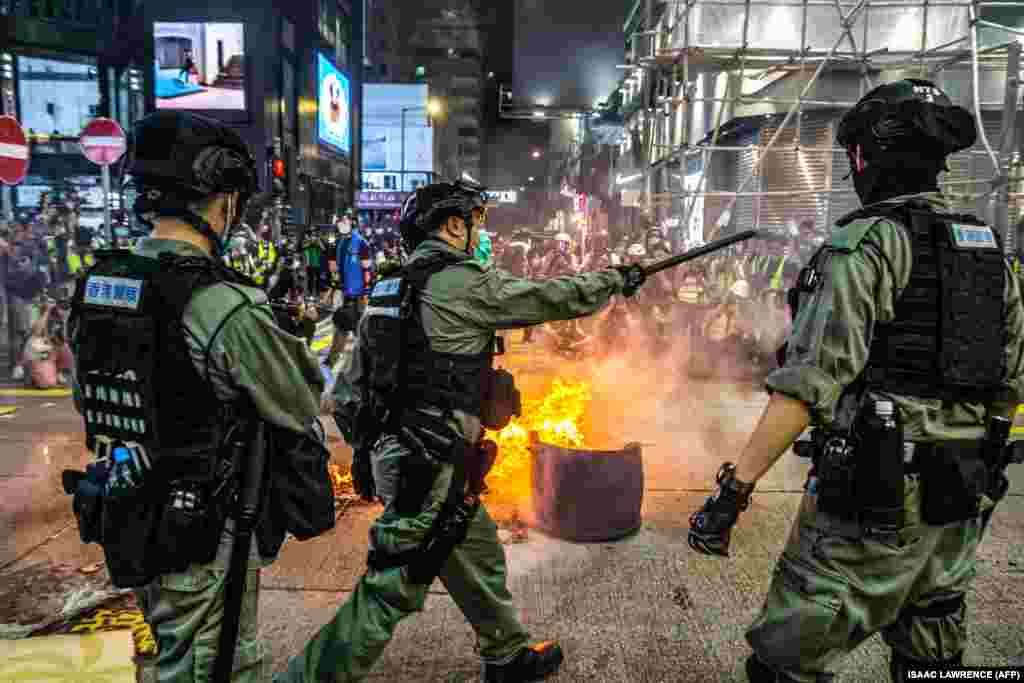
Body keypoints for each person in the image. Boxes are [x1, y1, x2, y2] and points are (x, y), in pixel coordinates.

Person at [688, 79, 1024, 682]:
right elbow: (1010, 381)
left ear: (866, 157)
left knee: (785, 661)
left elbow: (806, 385)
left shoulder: (862, 247)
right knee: (933, 658)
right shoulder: (990, 251)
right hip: (960, 497)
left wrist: (732, 493)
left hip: (873, 501)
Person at [277, 180, 647, 683]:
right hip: (431, 464)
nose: (480, 234)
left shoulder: (389, 287)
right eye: (476, 223)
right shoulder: (460, 280)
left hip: (411, 458)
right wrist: (614, 280)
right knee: (392, 585)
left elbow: (346, 392)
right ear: (453, 225)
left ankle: (507, 653)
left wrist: (369, 452)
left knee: (477, 551)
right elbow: (548, 298)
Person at [65, 111, 334, 682]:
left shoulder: (99, 284)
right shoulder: (219, 302)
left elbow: (84, 394)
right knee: (216, 669)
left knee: (173, 653)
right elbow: (301, 398)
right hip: (200, 532)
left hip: (125, 509)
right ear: (222, 201)